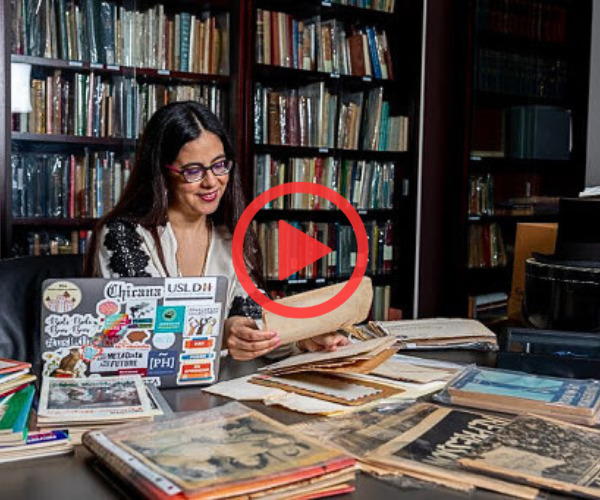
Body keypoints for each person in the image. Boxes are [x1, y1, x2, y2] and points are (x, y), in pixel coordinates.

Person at [84, 101, 348, 360]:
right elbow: (138, 334)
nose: (212, 182)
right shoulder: (122, 235)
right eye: (193, 171)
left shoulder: (229, 236)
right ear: (161, 173)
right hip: (146, 392)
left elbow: (258, 323)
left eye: (220, 165)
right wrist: (219, 335)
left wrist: (303, 338)